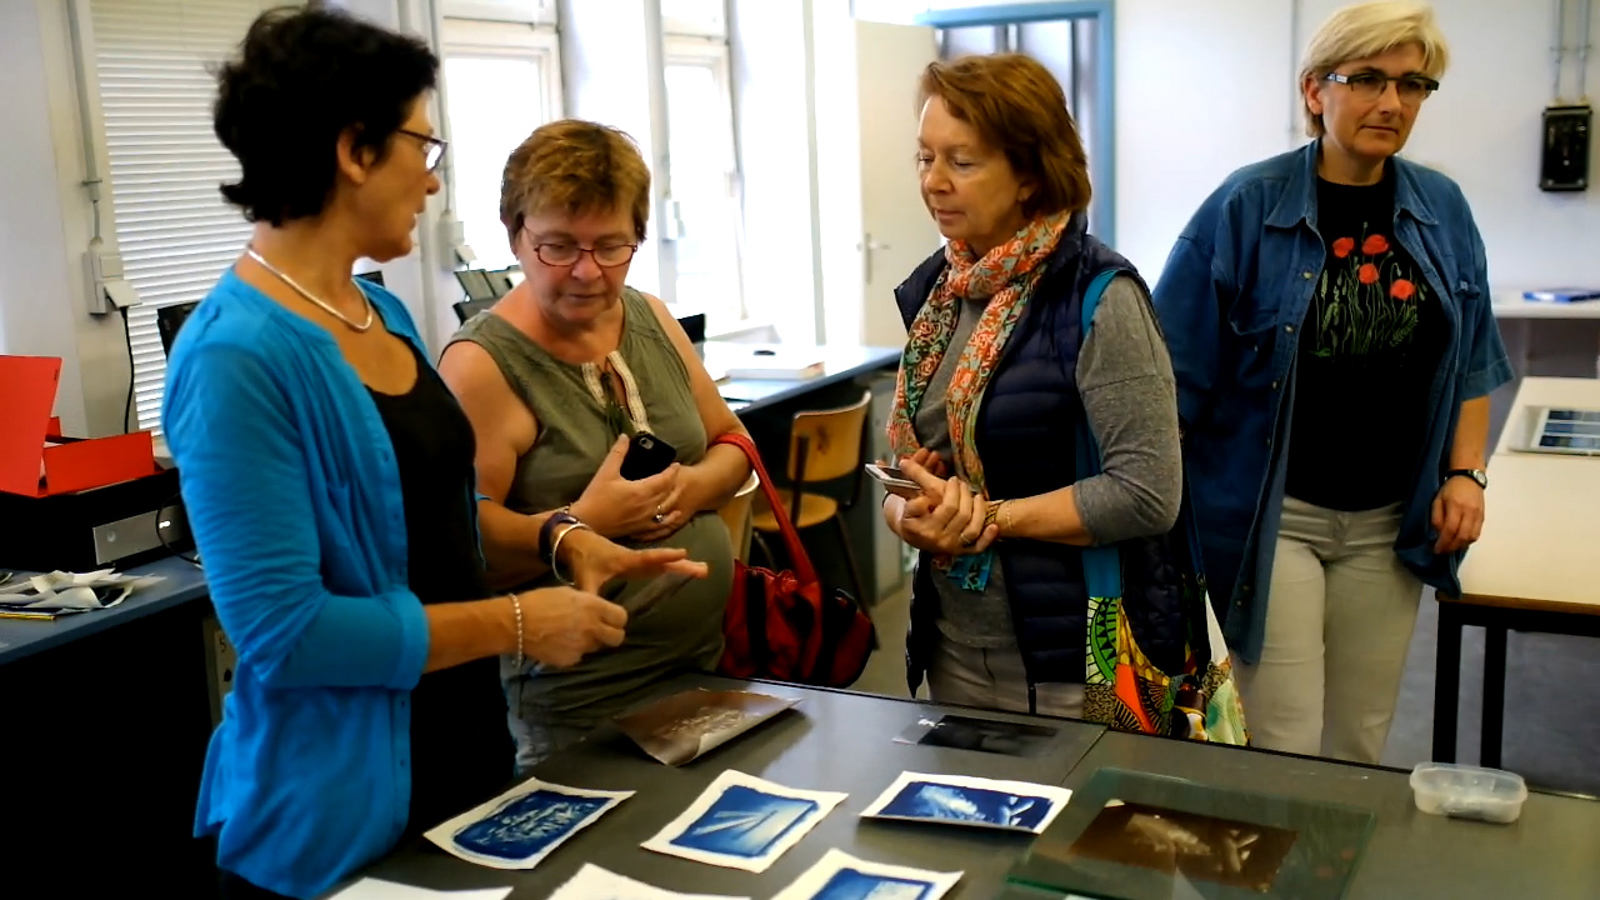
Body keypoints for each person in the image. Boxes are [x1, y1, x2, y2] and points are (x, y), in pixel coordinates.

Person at [165, 11, 701, 899]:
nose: (430, 176)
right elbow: (288, 635)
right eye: (421, 142)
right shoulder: (235, 357)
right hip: (335, 816)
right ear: (354, 150)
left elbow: (437, 529)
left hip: (463, 764)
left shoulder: (380, 313)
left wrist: (563, 538)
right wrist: (520, 623)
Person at [1150, 1, 1512, 763]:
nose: (1392, 103)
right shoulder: (1247, 206)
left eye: (1412, 85)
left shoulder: (1442, 208)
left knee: (1360, 740)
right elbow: (1171, 377)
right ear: (1315, 90)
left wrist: (1466, 474)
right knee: (1284, 739)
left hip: (1390, 519)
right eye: (1369, 79)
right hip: (1272, 520)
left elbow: (1472, 355)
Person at [438, 119, 751, 771]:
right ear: (515, 235)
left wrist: (689, 487)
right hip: (579, 708)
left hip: (704, 672)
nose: (588, 272)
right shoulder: (481, 366)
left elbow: (734, 441)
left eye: (612, 247)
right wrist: (586, 523)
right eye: (558, 247)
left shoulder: (651, 316)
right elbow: (465, 549)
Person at [883, 53, 1185, 720]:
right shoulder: (937, 294)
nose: (933, 181)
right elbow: (911, 472)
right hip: (953, 639)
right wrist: (911, 515)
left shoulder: (1101, 296)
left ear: (1028, 174)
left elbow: (1147, 494)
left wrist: (990, 517)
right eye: (925, 158)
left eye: (961, 161)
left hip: (1073, 658)